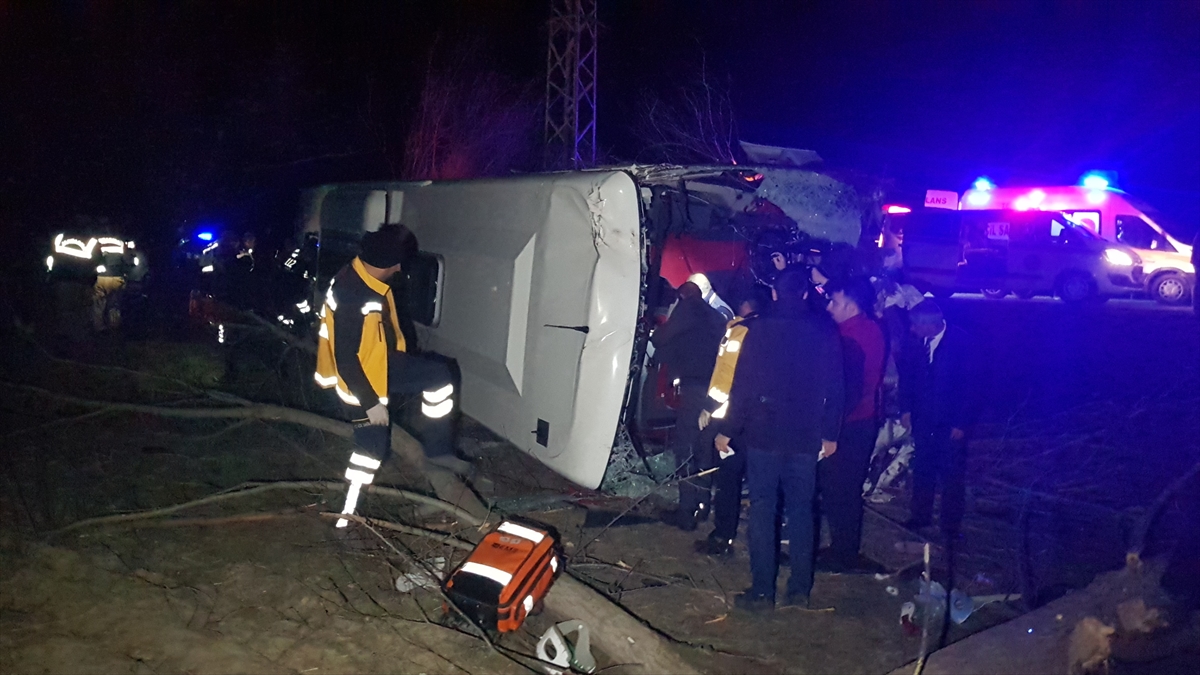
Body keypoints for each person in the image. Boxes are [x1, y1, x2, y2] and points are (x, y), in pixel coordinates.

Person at [709, 269, 844, 612]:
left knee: (763, 511)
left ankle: (762, 591)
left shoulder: (759, 329)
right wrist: (830, 434)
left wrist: (728, 429)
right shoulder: (824, 330)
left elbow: (744, 386)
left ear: (773, 294)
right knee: (801, 511)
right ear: (803, 295)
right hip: (804, 434)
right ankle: (799, 589)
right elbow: (836, 387)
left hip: (764, 434)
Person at [314, 224, 464, 529]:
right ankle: (344, 516)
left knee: (439, 377)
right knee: (369, 454)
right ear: (395, 264)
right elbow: (346, 359)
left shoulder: (361, 274)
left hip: (381, 364)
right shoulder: (353, 295)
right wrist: (371, 404)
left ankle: (438, 451)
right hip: (358, 385)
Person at [817, 276, 887, 572]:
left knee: (840, 490)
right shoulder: (868, 329)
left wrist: (829, 427)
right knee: (842, 490)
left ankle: (843, 554)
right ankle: (842, 549)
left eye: (835, 301)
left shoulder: (852, 337)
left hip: (849, 424)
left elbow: (847, 389)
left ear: (851, 303)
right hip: (860, 421)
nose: (830, 307)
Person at [695, 286, 770, 556]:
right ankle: (762, 544)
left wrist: (710, 407)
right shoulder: (775, 330)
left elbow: (727, 376)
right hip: (766, 421)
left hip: (734, 420)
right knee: (764, 485)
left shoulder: (738, 331)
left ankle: (723, 536)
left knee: (729, 480)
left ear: (744, 305)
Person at [653, 280, 726, 531]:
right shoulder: (716, 317)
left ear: (682, 297)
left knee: (685, 448)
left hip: (694, 390)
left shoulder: (688, 309)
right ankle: (702, 506)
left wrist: (655, 332)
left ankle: (686, 512)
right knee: (705, 448)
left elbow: (662, 338)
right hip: (715, 393)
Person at [898, 300, 974, 538]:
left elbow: (970, 387)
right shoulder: (916, 343)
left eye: (915, 325)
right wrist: (906, 408)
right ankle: (920, 517)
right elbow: (908, 377)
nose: (911, 330)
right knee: (923, 468)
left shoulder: (962, 344)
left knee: (951, 475)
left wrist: (961, 422)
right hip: (924, 418)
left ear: (929, 325)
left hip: (949, 421)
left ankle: (950, 526)